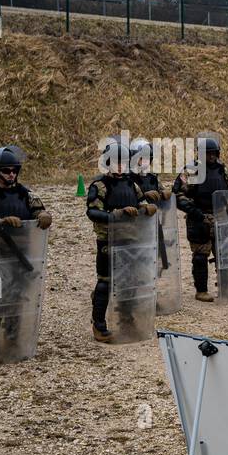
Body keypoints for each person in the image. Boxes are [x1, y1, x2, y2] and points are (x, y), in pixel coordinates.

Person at [0, 145, 52, 339]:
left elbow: (38, 208)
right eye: (6, 170)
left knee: (17, 296)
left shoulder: (25, 194)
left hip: (21, 252)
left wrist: (44, 215)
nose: (11, 174)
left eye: (14, 170)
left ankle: (13, 339)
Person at [85, 139, 152, 342]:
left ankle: (126, 318)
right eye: (116, 161)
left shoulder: (131, 184)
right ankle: (98, 324)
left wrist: (147, 207)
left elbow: (141, 201)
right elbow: (93, 211)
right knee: (105, 282)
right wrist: (117, 214)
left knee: (130, 281)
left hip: (131, 238)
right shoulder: (100, 185)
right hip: (108, 239)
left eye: (124, 161)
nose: (121, 166)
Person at [173, 133, 228, 301]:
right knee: (200, 256)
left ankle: (226, 287)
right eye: (207, 153)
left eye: (213, 153)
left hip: (220, 216)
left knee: (224, 254)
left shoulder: (223, 170)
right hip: (199, 217)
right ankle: (201, 291)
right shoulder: (190, 171)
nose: (211, 156)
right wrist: (195, 212)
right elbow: (178, 195)